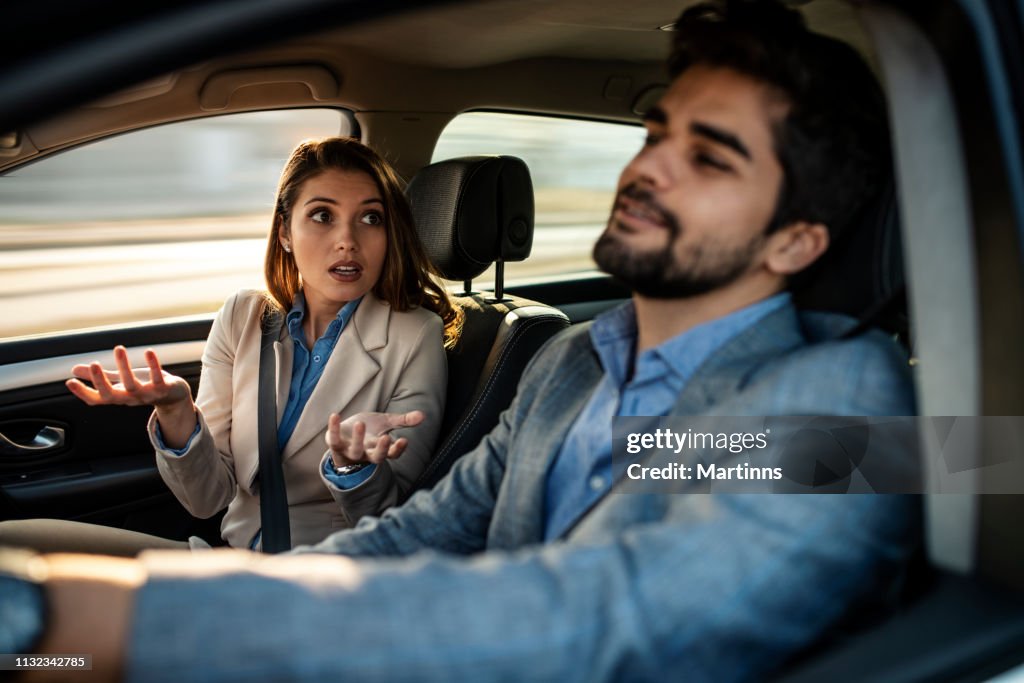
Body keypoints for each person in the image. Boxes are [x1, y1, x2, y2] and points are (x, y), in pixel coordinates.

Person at [6, 2, 920, 681]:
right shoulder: (574, 359)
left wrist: (130, 616)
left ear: (797, 239)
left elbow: (606, 614)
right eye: (657, 133)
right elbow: (427, 530)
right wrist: (239, 592)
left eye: (710, 157)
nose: (646, 169)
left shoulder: (852, 401)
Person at [0, 137, 461, 554]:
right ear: (284, 232)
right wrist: (177, 411)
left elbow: (396, 522)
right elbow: (207, 499)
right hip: (228, 557)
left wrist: (351, 469)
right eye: (322, 215)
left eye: (370, 218)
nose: (347, 240)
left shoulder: (413, 333)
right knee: (13, 549)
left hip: (323, 577)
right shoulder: (244, 316)